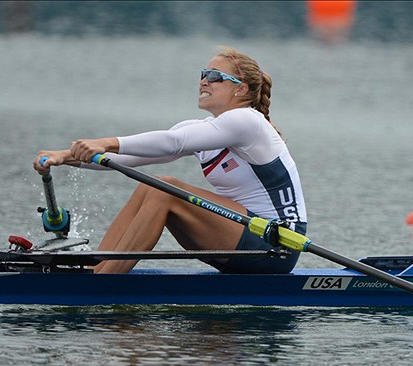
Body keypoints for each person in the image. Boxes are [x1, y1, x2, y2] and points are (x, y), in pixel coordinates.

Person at [33, 47, 308, 274]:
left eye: (214, 76)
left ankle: (104, 280)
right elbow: (129, 158)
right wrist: (64, 157)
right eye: (203, 74)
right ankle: (99, 266)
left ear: (241, 89)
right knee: (149, 188)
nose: (204, 81)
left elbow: (173, 142)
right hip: (243, 237)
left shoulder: (247, 121)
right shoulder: (203, 129)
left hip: (278, 245)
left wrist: (104, 142)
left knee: (164, 191)